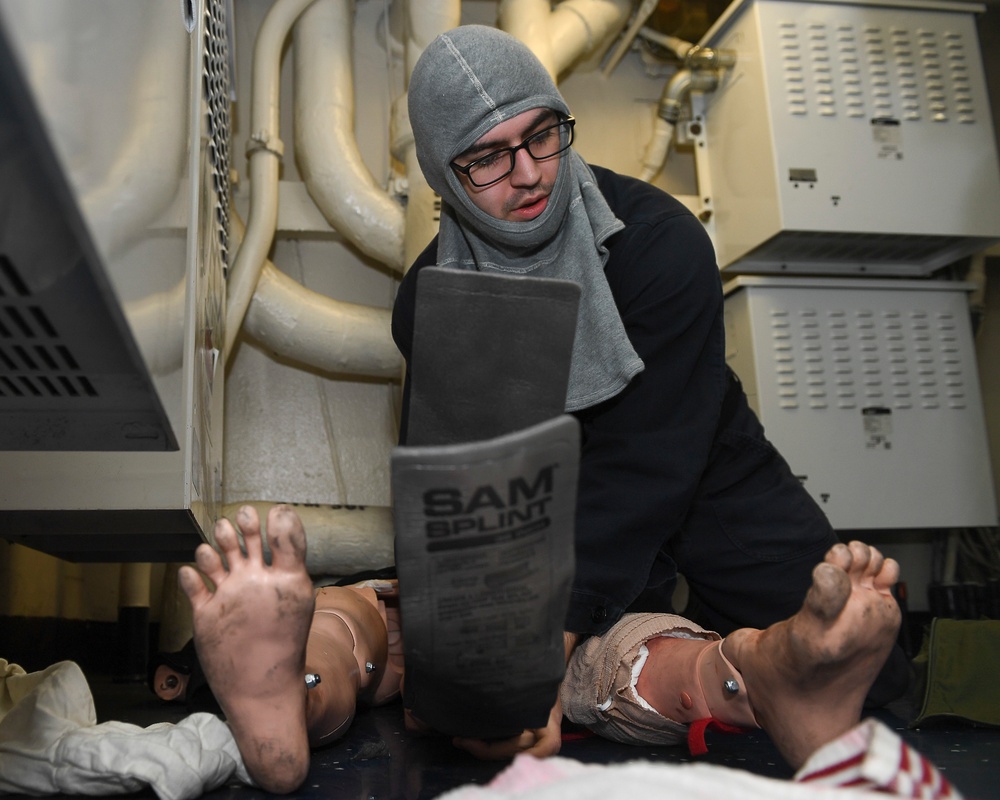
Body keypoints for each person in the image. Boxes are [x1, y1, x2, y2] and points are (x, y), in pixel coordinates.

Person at [389, 24, 908, 760]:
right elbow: (447, 484)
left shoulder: (661, 243)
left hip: (698, 472)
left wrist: (548, 643)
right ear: (444, 175)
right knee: (466, 692)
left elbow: (643, 465)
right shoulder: (430, 299)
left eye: (542, 135)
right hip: (534, 517)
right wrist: (473, 654)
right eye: (487, 158)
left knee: (864, 678)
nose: (529, 172)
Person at [178, 503, 918, 796]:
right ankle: (285, 685)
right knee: (350, 628)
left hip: (562, 623)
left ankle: (765, 672)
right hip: (410, 613)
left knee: (349, 637)